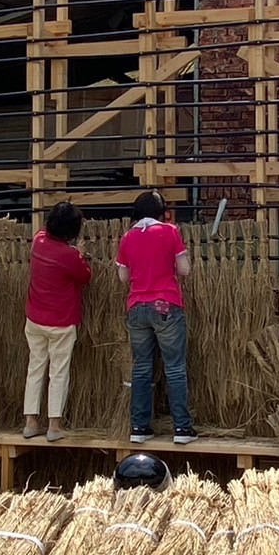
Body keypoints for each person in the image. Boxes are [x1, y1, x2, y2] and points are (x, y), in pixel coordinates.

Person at [117, 190, 195, 446]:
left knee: (141, 367)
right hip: (166, 305)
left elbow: (123, 278)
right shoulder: (170, 231)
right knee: (174, 366)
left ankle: (139, 426)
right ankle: (182, 429)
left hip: (137, 307)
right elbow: (184, 269)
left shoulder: (127, 238)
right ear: (161, 211)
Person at [23, 202, 92, 443]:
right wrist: (80, 254)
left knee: (35, 368)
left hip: (35, 318)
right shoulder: (69, 255)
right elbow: (85, 276)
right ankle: (54, 425)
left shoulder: (38, 241)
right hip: (61, 321)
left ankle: (30, 422)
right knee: (58, 372)